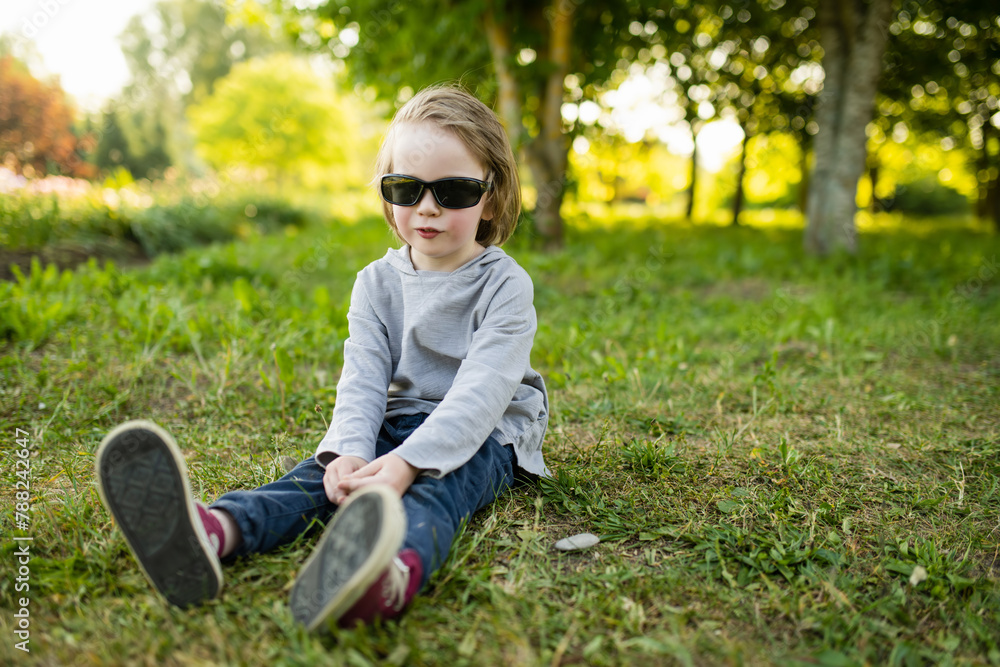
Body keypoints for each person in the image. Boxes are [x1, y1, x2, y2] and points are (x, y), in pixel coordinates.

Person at [95, 84, 550, 631]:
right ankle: (215, 531)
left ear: (492, 197)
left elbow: (482, 395)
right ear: (387, 196)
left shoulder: (505, 286)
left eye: (453, 190)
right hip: (398, 419)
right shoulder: (375, 283)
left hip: (487, 434)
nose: (427, 207)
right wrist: (349, 456)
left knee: (435, 491)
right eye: (406, 188)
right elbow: (361, 378)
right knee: (315, 483)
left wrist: (406, 465)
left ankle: (387, 578)